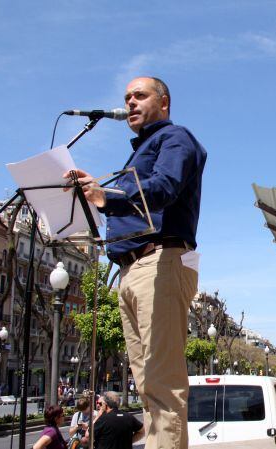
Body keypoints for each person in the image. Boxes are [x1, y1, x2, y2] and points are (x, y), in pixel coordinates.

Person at [68, 76, 207, 449]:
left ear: (164, 102)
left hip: (158, 261)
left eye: (139, 95)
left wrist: (106, 196)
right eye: (126, 96)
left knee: (162, 383)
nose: (130, 102)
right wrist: (96, 192)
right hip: (132, 269)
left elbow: (164, 186)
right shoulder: (141, 151)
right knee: (147, 384)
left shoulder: (175, 138)